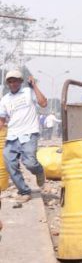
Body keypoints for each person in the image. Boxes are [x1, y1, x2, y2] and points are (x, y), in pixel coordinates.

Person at [0, 70, 47, 202]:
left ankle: (39, 171)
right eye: (10, 81)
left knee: (30, 163)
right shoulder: (5, 99)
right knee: (9, 162)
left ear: (20, 81)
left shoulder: (29, 92)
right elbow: (2, 120)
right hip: (13, 136)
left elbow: (43, 103)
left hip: (29, 133)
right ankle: (24, 191)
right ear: (8, 83)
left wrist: (35, 86)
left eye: (15, 80)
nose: (13, 83)